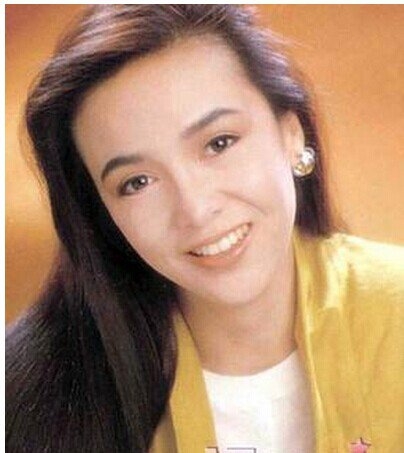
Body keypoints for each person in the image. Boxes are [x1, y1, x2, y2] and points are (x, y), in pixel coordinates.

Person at [6, 5, 404, 453]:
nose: (195, 211)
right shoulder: (28, 398)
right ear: (103, 214)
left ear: (291, 135)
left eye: (219, 143)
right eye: (137, 182)